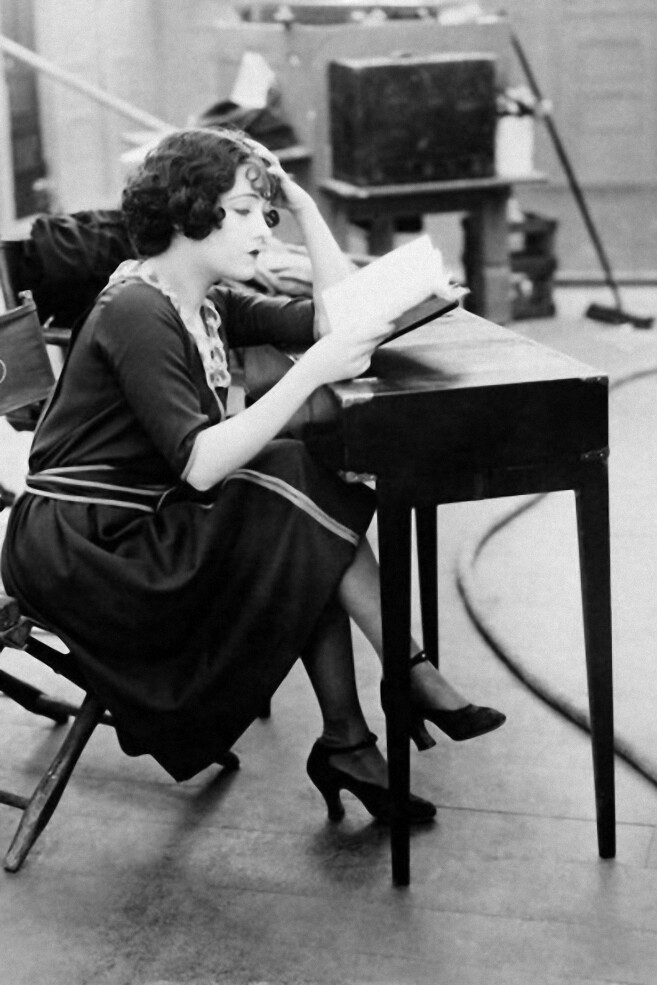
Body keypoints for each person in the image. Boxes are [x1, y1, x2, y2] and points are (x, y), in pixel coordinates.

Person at [0, 127, 505, 824]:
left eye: (265, 213)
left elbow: (336, 319)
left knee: (293, 505)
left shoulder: (203, 303)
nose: (263, 230)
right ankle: (401, 677)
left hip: (139, 520)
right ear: (186, 213)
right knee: (289, 479)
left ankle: (355, 734)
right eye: (243, 211)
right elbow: (201, 463)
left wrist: (303, 206)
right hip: (85, 546)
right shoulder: (137, 309)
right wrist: (310, 374)